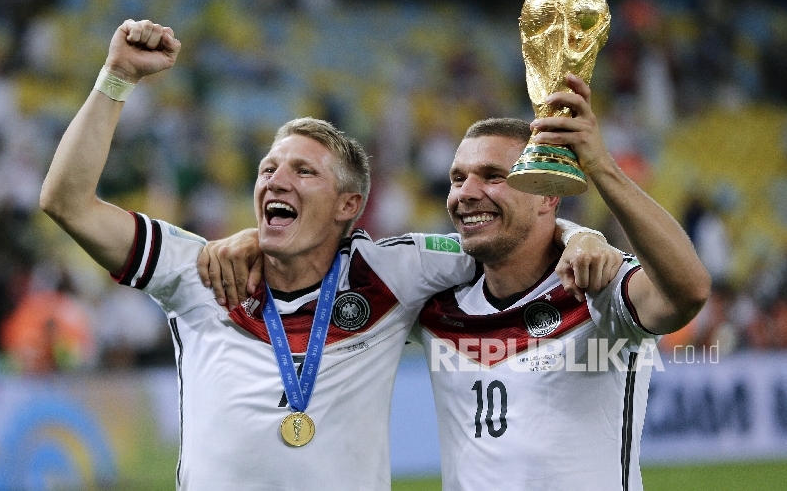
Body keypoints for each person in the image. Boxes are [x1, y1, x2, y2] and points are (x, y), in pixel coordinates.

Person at [39, 19, 616, 491]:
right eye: (268, 169)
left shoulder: (396, 268)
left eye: (302, 171)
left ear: (349, 205)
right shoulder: (202, 272)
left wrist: (576, 234)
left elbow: (502, 232)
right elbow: (67, 202)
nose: (276, 180)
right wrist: (115, 77)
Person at [200, 74, 711, 491]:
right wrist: (253, 240)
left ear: (547, 196)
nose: (466, 193)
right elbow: (319, 251)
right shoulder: (433, 303)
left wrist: (598, 171)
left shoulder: (592, 287)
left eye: (492, 176)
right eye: (457, 177)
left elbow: (687, 291)